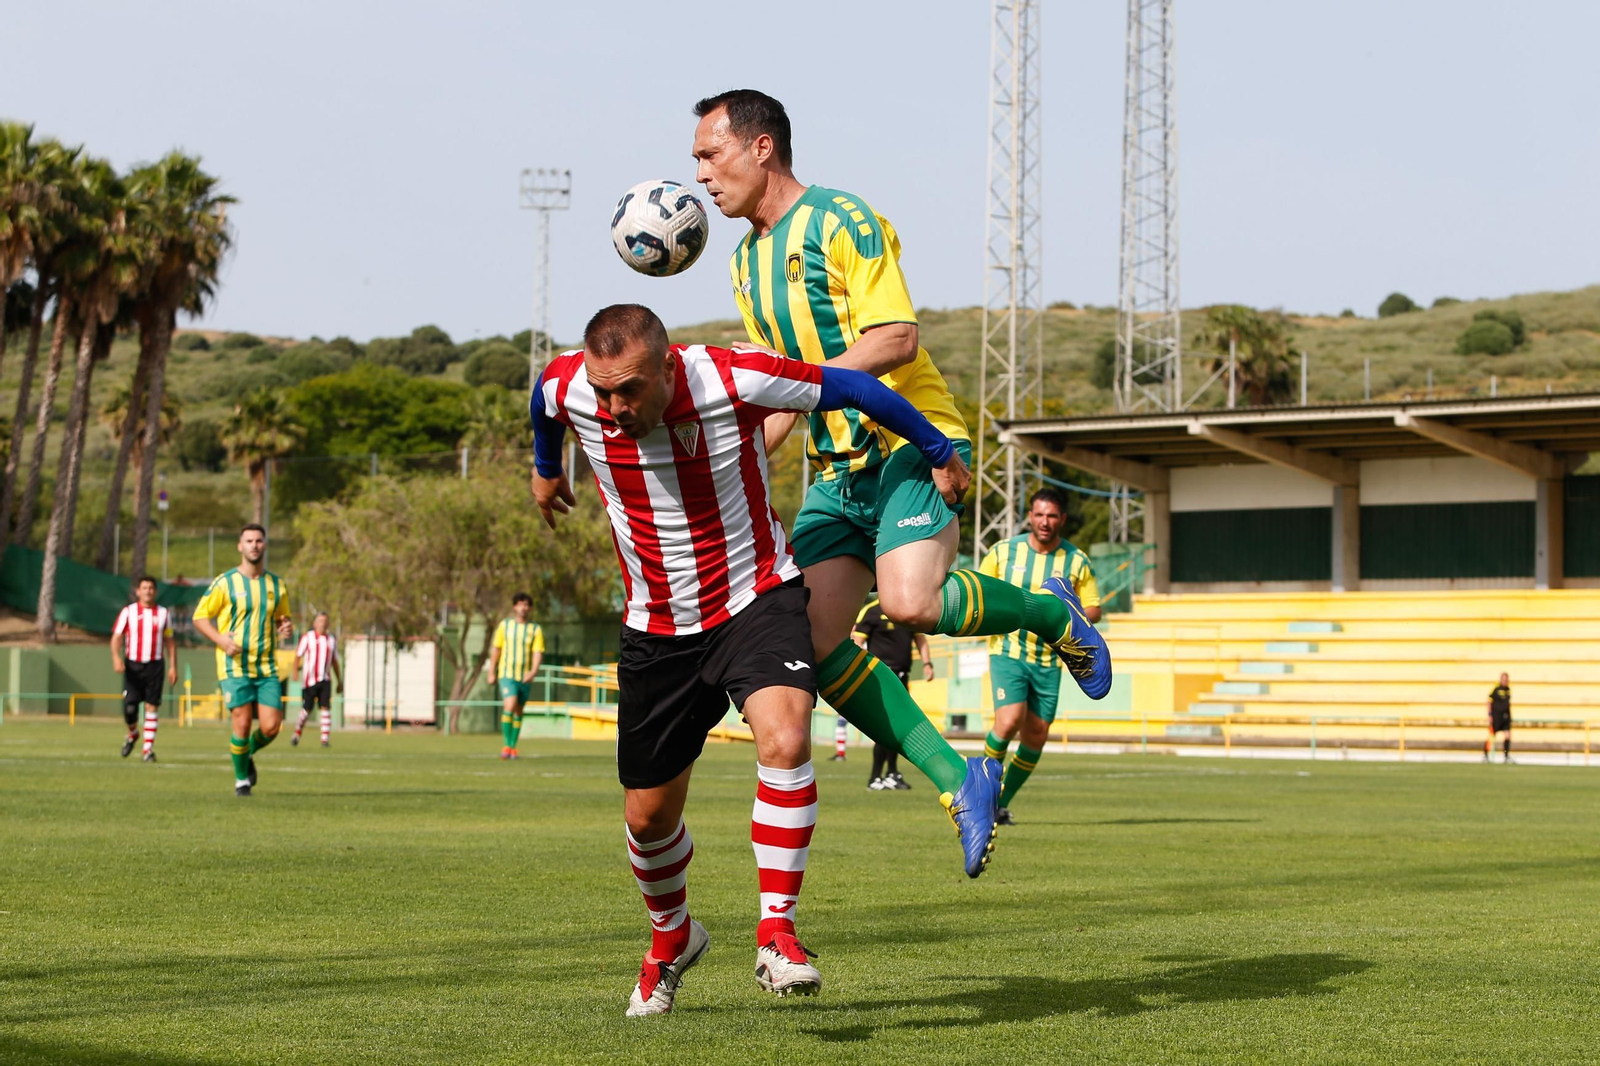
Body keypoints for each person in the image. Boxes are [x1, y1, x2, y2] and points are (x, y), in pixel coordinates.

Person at [691, 89, 1109, 868]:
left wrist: (808, 379)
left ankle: (1049, 615)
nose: (701, 177)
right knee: (811, 646)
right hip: (834, 469)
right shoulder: (745, 264)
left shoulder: (843, 221)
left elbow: (895, 338)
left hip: (908, 442)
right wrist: (736, 457)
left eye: (710, 156)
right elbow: (786, 393)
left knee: (913, 603)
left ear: (760, 149)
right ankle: (961, 780)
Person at [531, 304, 970, 1015]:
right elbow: (541, 404)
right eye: (604, 391)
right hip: (657, 627)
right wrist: (546, 472)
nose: (614, 408)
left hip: (753, 599)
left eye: (631, 390)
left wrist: (940, 453)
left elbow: (857, 389)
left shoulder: (735, 377)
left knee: (787, 736)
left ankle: (777, 933)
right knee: (646, 820)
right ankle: (671, 938)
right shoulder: (569, 386)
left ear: (670, 368)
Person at [978, 489, 1102, 825]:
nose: (1044, 522)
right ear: (1029, 516)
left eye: (1052, 516)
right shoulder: (1003, 552)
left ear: (1061, 519)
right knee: (1008, 720)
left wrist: (1069, 611)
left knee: (1036, 736)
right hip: (1008, 650)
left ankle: (998, 804)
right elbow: (981, 586)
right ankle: (980, 793)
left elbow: (1094, 607)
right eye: (1039, 515)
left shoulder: (1076, 560)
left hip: (1050, 659)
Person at [192, 524, 294, 797]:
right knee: (242, 721)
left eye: (259, 540)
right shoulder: (225, 582)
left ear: (265, 545)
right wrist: (221, 640)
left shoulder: (276, 585)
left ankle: (246, 752)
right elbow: (200, 617)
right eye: (248, 541)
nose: (254, 545)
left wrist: (285, 627)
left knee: (272, 727)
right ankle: (241, 782)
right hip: (234, 665)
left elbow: (282, 618)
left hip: (266, 666)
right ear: (240, 546)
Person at [851, 595, 934, 791]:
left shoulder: (908, 609)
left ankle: (891, 774)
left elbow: (920, 639)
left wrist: (927, 664)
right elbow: (857, 640)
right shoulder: (872, 610)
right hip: (881, 677)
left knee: (897, 728)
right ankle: (875, 777)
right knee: (886, 728)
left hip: (903, 675)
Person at [110, 576, 178, 764]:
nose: (148, 591)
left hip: (155, 665)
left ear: (155, 592)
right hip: (132, 665)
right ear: (138, 591)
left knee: (151, 706)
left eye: (151, 588)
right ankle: (132, 734)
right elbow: (116, 637)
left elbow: (170, 641)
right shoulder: (128, 612)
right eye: (144, 587)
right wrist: (116, 657)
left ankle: (147, 750)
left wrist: (173, 666)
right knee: (130, 708)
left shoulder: (164, 614)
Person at [485, 593, 544, 760]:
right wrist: (491, 671)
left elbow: (537, 652)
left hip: (524, 676)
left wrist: (533, 671)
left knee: (518, 710)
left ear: (530, 608)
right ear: (514, 607)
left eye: (526, 605)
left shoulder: (535, 629)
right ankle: (506, 746)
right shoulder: (505, 626)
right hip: (507, 674)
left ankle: (512, 747)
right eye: (520, 604)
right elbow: (496, 649)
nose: (523, 608)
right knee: (509, 705)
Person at [291, 612, 342, 748]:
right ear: (314, 623)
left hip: (325, 679)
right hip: (309, 680)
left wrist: (340, 680)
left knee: (325, 708)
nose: (322, 623)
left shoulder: (331, 640)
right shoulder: (307, 638)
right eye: (320, 621)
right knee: (307, 709)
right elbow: (298, 656)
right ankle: (297, 733)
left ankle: (324, 739)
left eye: (325, 621)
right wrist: (295, 672)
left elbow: (335, 662)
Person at [1487, 673, 1512, 764]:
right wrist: (1490, 715)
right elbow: (1489, 702)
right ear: (1500, 680)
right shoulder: (1496, 689)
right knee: (1492, 736)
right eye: (1504, 679)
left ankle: (1506, 756)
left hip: (1506, 717)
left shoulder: (1508, 690)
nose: (1505, 681)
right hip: (1496, 716)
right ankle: (1486, 754)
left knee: (1507, 736)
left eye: (1506, 679)